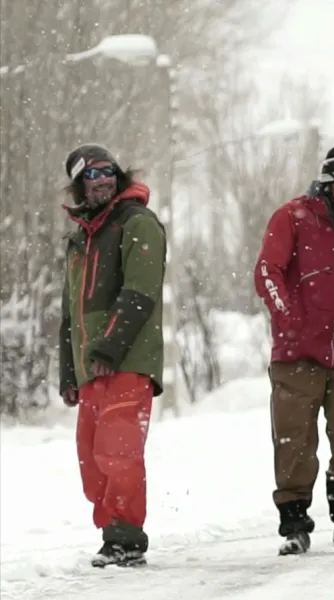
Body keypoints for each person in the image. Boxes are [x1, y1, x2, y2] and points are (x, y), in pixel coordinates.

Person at [253, 142, 334, 556]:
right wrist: (289, 321)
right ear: (327, 182)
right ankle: (294, 525)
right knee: (294, 443)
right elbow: (267, 272)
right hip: (296, 359)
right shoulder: (292, 218)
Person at [58, 143, 167, 568]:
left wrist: (110, 345)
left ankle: (125, 537)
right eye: (90, 174)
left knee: (117, 450)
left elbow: (140, 291)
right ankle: (112, 532)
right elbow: (70, 312)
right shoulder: (78, 240)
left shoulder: (136, 223)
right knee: (90, 455)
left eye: (107, 171)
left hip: (128, 357)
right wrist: (69, 370)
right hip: (91, 364)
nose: (101, 179)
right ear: (79, 185)